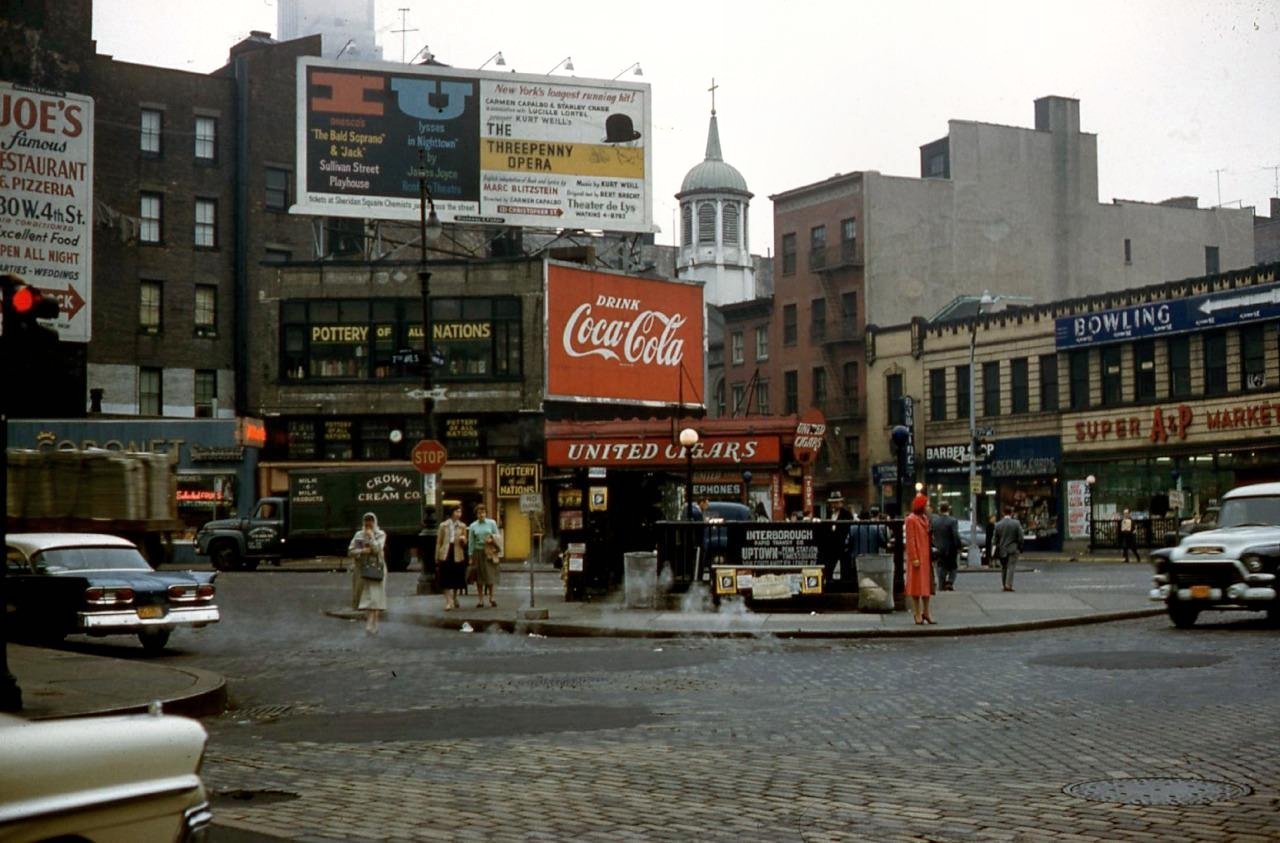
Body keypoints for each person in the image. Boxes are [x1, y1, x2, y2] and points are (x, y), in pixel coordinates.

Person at [348, 512, 387, 634]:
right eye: (366, 520)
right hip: (363, 569)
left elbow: (377, 549)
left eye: (370, 520)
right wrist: (362, 551)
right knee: (367, 597)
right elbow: (351, 551)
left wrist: (371, 537)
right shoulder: (359, 535)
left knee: (375, 598)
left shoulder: (380, 534)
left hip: (376, 568)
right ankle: (371, 622)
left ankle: (373, 622)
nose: (368, 523)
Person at [904, 494, 935, 624]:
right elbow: (910, 540)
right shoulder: (911, 519)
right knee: (916, 588)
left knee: (927, 587)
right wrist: (914, 558)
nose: (929, 507)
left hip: (926, 556)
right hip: (917, 558)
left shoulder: (925, 519)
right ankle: (917, 612)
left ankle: (926, 612)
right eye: (927, 505)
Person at [467, 503, 502, 609]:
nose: (481, 515)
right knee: (479, 577)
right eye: (479, 513)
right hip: (478, 552)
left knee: (490, 575)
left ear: (486, 513)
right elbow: (471, 542)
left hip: (489, 551)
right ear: (476, 514)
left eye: (483, 512)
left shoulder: (491, 523)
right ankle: (481, 599)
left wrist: (492, 539)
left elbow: (497, 536)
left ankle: (492, 598)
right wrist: (470, 555)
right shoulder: (473, 526)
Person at [435, 505, 468, 610]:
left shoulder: (462, 526)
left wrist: (464, 540)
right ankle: (449, 601)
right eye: (457, 511)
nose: (459, 514)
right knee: (445, 577)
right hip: (446, 552)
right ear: (452, 512)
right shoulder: (443, 525)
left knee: (456, 577)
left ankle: (455, 597)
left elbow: (465, 542)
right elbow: (439, 542)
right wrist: (437, 556)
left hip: (457, 552)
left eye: (460, 512)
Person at [930, 501, 962, 592]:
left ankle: (942, 584)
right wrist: (958, 546)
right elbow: (955, 535)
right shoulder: (952, 521)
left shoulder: (935, 521)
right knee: (953, 567)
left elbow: (930, 534)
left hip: (938, 548)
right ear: (949, 509)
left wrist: (933, 544)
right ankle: (950, 582)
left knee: (941, 566)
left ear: (939, 509)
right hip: (951, 548)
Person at [993, 505, 1025, 592]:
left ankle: (1004, 584)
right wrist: (1020, 546)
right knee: (1011, 567)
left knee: (1004, 567)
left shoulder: (998, 524)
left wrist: (996, 547)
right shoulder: (1016, 523)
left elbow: (994, 539)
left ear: (1003, 513)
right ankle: (1008, 585)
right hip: (1013, 548)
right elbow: (1021, 537)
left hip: (1002, 549)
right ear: (1011, 513)